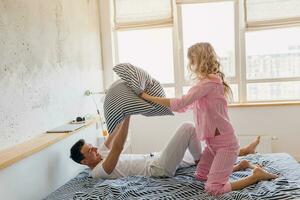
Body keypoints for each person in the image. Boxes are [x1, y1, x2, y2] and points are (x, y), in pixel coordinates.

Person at [140, 42, 278, 195]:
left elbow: (180, 103)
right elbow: (184, 106)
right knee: (201, 176)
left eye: (191, 59)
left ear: (199, 59)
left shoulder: (208, 83)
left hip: (225, 145)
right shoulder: (207, 84)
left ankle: (255, 176)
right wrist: (158, 104)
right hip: (212, 145)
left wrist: (148, 97)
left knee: (213, 188)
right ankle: (240, 164)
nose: (190, 64)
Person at [70, 116, 264, 181]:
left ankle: (241, 157)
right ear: (84, 162)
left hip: (158, 158)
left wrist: (122, 111)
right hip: (158, 169)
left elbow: (114, 133)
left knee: (204, 151)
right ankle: (202, 165)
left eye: (92, 146)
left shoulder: (100, 154)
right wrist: (129, 116)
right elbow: (118, 146)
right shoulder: (98, 172)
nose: (95, 149)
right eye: (90, 151)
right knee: (188, 128)